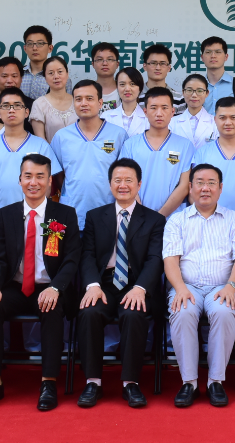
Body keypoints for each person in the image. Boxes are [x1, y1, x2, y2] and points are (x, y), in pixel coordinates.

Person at [0, 154, 81, 413]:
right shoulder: (7, 214)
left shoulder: (64, 214)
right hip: (15, 285)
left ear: (50, 181)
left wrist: (56, 288)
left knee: (52, 308)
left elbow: (71, 259)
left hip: (50, 286)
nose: (34, 182)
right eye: (28, 176)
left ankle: (48, 382)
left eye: (40, 176)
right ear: (20, 180)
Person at [75, 158, 166, 408]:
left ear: (139, 184)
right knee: (89, 312)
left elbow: (155, 259)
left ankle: (130, 383)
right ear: (110, 184)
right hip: (103, 282)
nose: (123, 185)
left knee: (134, 314)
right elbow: (87, 255)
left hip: (137, 283)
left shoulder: (155, 220)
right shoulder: (95, 216)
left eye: (128, 180)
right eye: (117, 180)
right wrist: (92, 285)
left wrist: (140, 288)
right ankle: (93, 382)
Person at [162, 164, 235, 408]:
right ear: (190, 187)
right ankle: (189, 382)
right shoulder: (177, 220)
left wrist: (231, 286)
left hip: (222, 286)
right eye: (200, 183)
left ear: (220, 188)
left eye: (211, 183)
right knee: (182, 311)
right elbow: (170, 260)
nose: (205, 188)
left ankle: (215, 381)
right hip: (186, 285)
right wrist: (180, 288)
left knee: (224, 311)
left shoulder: (234, 219)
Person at [51, 80, 129, 230]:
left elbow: (125, 174)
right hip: (72, 213)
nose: (83, 103)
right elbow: (58, 174)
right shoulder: (61, 136)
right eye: (78, 99)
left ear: (100, 103)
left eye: (89, 98)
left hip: (108, 214)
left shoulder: (118, 135)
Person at [0, 87, 58, 214]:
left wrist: (33, 214)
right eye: (6, 106)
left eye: (17, 105)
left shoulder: (41, 146)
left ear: (26, 112)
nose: (11, 110)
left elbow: (48, 185)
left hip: (31, 217)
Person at [117, 87, 194, 215]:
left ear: (173, 111)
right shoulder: (130, 145)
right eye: (153, 108)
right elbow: (125, 182)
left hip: (174, 219)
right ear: (145, 112)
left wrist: (159, 217)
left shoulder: (185, 145)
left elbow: (184, 185)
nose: (159, 113)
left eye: (164, 108)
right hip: (138, 217)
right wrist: (143, 216)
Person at [30, 56, 77, 141]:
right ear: (45, 78)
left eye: (60, 72)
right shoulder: (39, 104)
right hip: (49, 149)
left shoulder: (77, 101)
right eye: (51, 73)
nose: (56, 76)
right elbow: (41, 140)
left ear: (67, 74)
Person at [200, 36, 235, 114]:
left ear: (226, 57)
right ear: (202, 57)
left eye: (218, 52)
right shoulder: (196, 87)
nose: (213, 56)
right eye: (208, 52)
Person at [169, 73, 218, 147]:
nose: (194, 95)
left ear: (207, 93)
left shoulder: (216, 123)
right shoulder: (171, 123)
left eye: (199, 91)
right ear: (183, 92)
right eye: (189, 90)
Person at [21, 25, 69, 100]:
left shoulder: (60, 78)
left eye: (40, 43)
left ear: (50, 48)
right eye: (30, 44)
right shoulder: (18, 75)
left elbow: (67, 103)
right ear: (25, 49)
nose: (34, 48)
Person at [102, 66, 149, 136]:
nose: (127, 89)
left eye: (132, 84)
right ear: (117, 87)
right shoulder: (106, 117)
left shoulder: (148, 119)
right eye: (122, 84)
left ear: (140, 88)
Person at [139, 44, 186, 114]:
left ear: (169, 68)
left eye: (162, 63)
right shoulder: (135, 96)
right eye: (153, 63)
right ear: (145, 66)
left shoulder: (179, 99)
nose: (158, 68)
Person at [90, 41, 122, 113]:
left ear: (117, 64)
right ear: (93, 64)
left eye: (110, 59)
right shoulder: (87, 91)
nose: (105, 63)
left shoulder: (124, 90)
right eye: (99, 59)